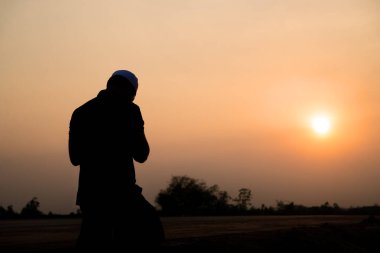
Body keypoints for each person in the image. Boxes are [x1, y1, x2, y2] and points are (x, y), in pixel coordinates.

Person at [68, 70, 164, 251]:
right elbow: (142, 154)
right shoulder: (130, 110)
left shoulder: (80, 112)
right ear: (131, 92)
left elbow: (75, 158)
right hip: (121, 193)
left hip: (90, 194)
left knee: (92, 241)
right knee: (150, 232)